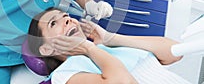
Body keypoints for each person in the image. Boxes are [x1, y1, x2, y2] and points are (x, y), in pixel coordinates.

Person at [27, 7, 191, 84]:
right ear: (47, 49)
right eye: (53, 23)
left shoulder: (107, 48)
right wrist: (87, 48)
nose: (67, 20)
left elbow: (175, 52)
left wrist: (111, 39)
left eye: (66, 16)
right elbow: (122, 82)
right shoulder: (65, 74)